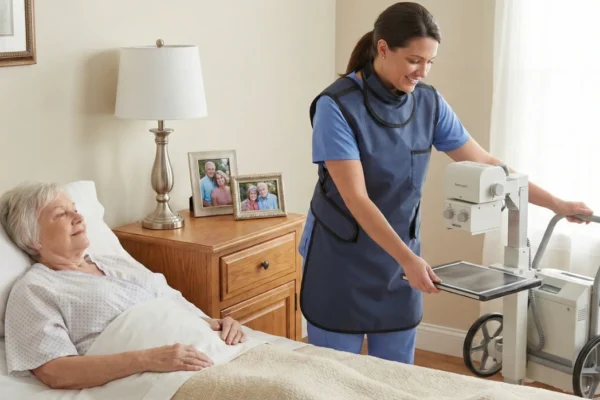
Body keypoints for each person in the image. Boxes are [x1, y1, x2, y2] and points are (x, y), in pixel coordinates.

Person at [298, 1, 593, 366]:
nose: (422, 71)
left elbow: (487, 163)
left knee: (396, 379)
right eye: (413, 60)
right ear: (383, 48)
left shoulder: (428, 104)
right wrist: (408, 259)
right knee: (331, 377)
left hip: (400, 263)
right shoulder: (336, 106)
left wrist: (557, 204)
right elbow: (356, 198)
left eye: (429, 61)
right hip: (342, 260)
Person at [0, 182, 247, 389]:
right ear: (33, 238)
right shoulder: (35, 289)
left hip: (218, 351)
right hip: (168, 378)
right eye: (61, 214)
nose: (78, 217)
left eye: (74, 209)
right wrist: (150, 359)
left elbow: (169, 304)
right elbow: (55, 371)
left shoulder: (115, 264)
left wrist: (215, 323)